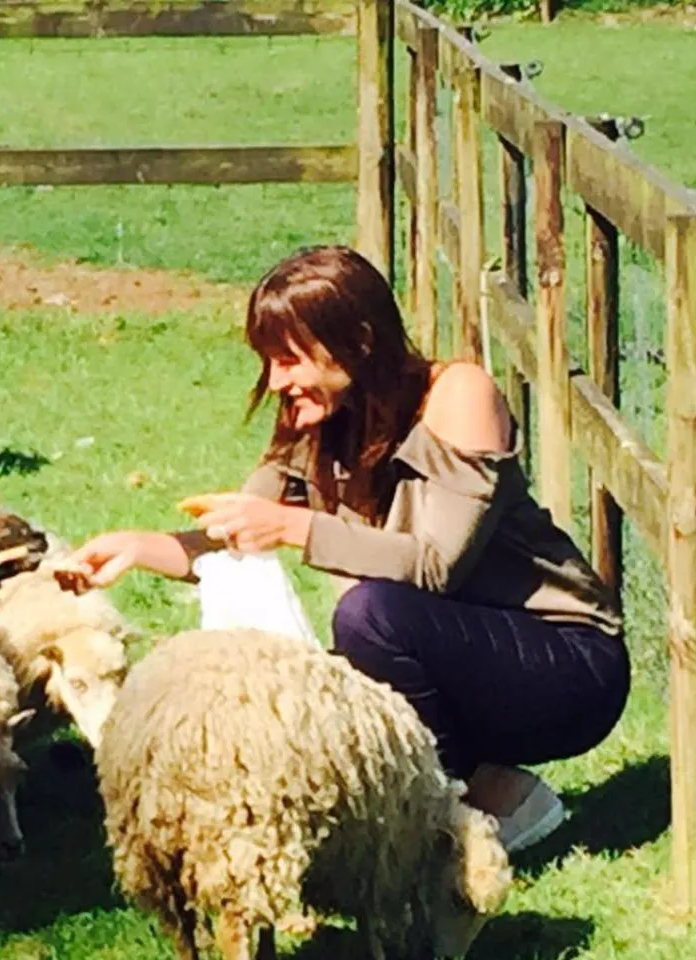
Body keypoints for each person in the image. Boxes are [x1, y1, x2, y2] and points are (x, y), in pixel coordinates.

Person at [63, 244, 630, 854]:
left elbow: (435, 564)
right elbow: (241, 529)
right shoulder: (321, 420)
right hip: (458, 648)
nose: (277, 381)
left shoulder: (458, 395)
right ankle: (492, 795)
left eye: (288, 359)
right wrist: (138, 548)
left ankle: (441, 822)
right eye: (269, 361)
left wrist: (293, 528)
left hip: (567, 664)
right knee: (348, 650)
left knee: (369, 617)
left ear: (357, 341)